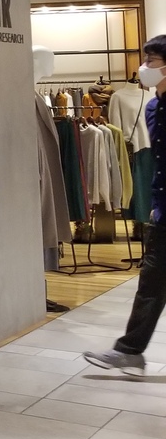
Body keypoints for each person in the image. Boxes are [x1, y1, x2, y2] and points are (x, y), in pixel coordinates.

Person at [84, 35, 166, 377]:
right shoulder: (153, 107)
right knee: (151, 282)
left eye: (152, 60)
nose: (144, 67)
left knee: (153, 281)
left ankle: (130, 351)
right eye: (144, 59)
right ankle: (130, 351)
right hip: (163, 211)